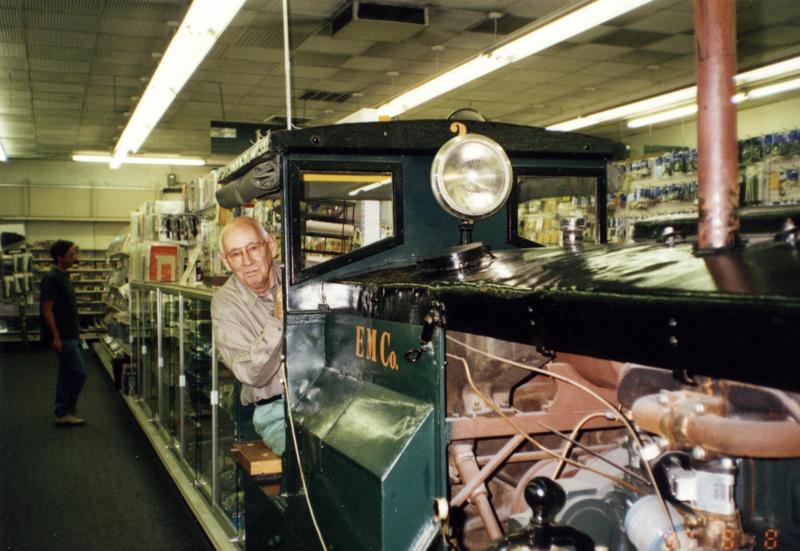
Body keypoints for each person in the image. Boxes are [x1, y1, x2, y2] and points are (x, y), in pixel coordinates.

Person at [211, 216, 285, 454]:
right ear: (226, 261)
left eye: (253, 248)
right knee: (308, 463)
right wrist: (278, 319)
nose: (247, 261)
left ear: (271, 245)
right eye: (236, 254)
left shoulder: (297, 278)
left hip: (324, 401)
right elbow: (252, 374)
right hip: (276, 412)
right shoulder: (225, 303)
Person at [40, 240, 86, 426]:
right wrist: (56, 337)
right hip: (63, 337)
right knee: (79, 373)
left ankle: (62, 411)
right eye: (71, 255)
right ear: (59, 257)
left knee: (66, 374)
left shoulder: (63, 276)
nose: (75, 258)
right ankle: (66, 408)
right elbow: (47, 310)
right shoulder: (52, 278)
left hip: (70, 334)